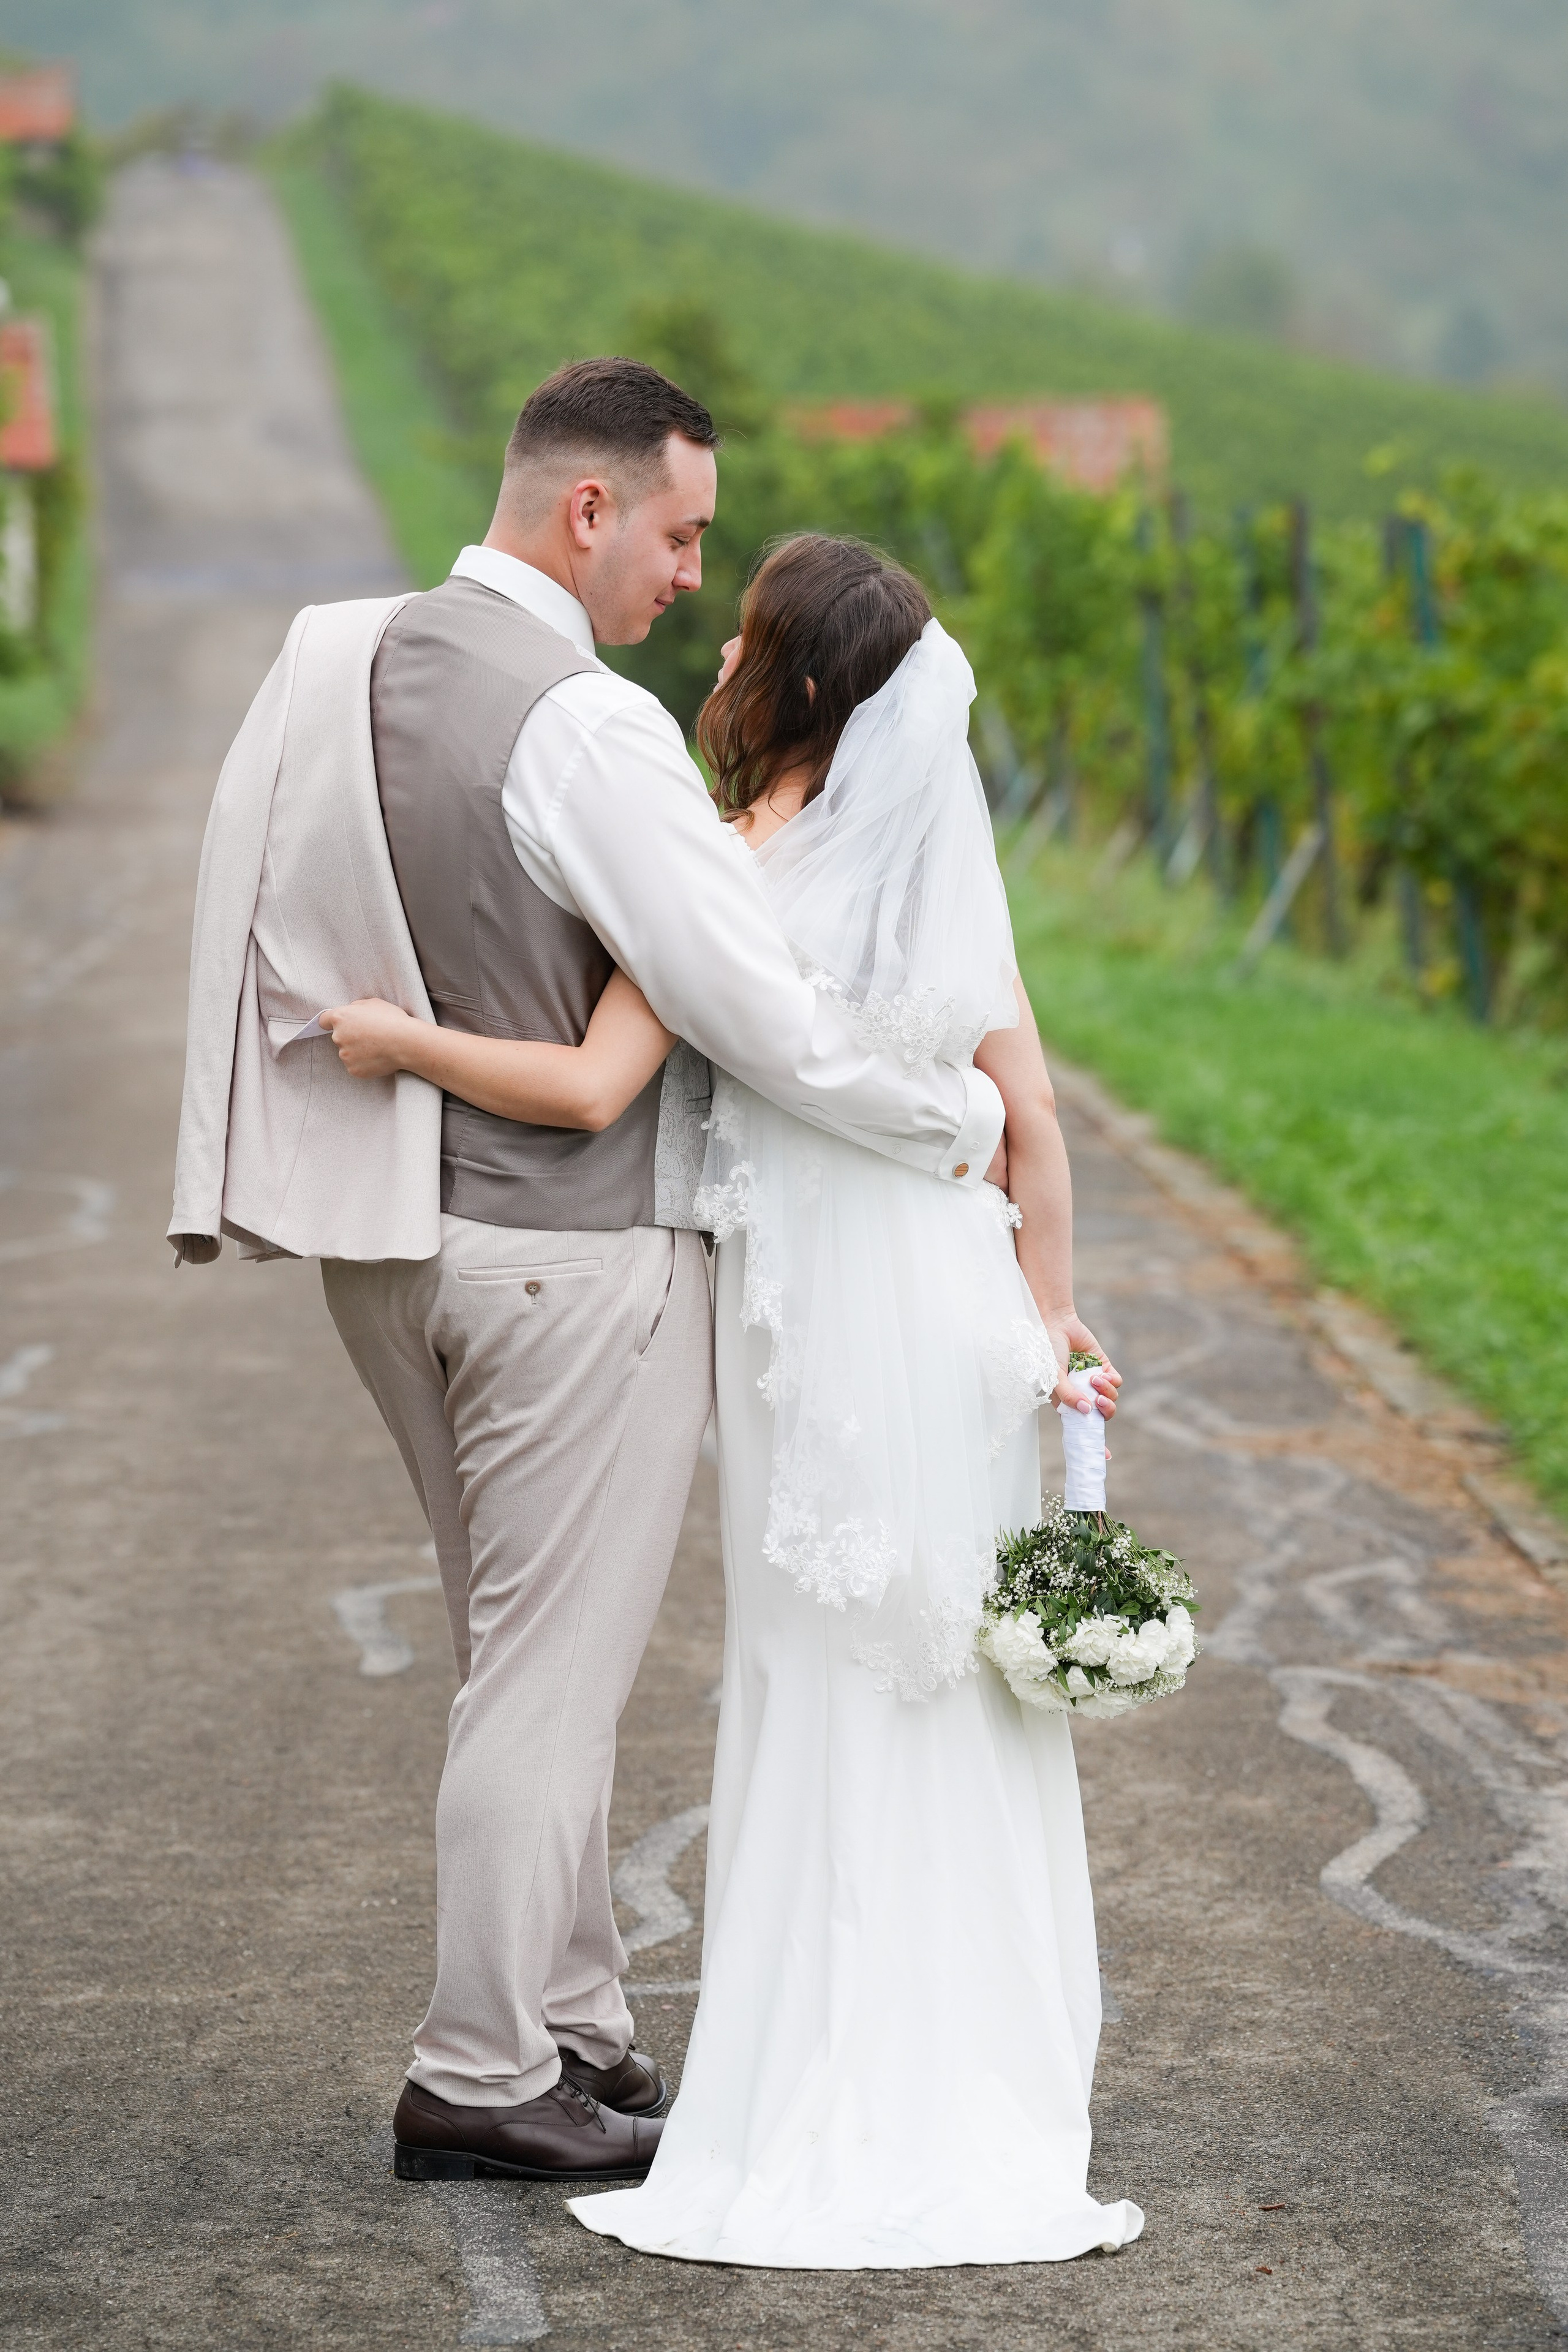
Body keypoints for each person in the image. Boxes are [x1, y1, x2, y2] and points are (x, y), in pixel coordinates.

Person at [170, 360, 1011, 2192]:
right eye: (682, 533)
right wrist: (951, 1119)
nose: (692, 580)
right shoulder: (590, 724)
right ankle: (480, 2071)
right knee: (544, 1688)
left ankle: (578, 2026)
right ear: (589, 511)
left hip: (390, 1243)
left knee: (511, 1665)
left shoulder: (339, 661)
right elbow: (757, 1009)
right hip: (569, 1263)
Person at [320, 532, 1143, 2263]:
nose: (713, 658)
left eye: (745, 636)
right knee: (961, 1692)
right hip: (956, 1311)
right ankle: (976, 2069)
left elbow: (589, 1082)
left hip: (821, 1341)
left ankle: (824, 2071)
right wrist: (1053, 1322)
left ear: (797, 685)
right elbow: (1034, 1122)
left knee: (825, 1676)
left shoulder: (718, 861)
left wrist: (404, 1044)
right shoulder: (934, 861)